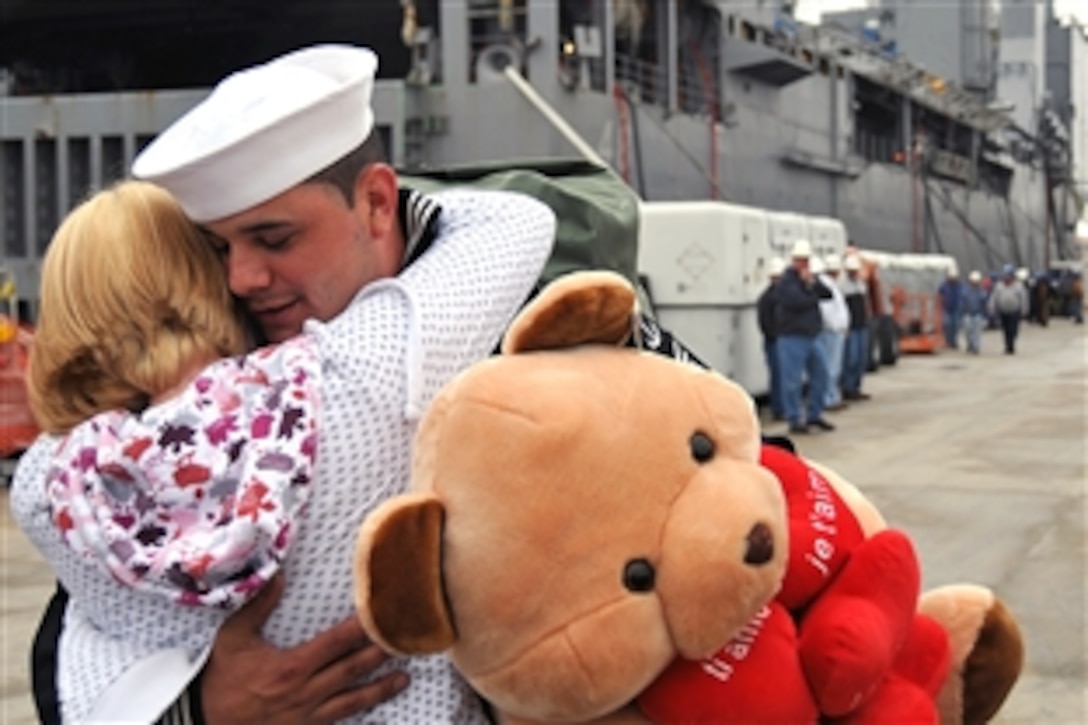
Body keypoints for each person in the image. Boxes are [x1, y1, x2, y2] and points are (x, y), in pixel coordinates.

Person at [13, 44, 556, 725]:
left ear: (379, 202)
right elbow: (66, 635)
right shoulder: (335, 371)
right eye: (217, 250)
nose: (241, 278)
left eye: (274, 237)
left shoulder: (536, 323)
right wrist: (198, 710)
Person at [774, 239, 835, 435]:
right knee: (792, 380)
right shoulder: (786, 281)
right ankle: (794, 418)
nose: (804, 264)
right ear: (794, 260)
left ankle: (814, 414)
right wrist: (811, 293)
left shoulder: (809, 280)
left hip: (812, 335)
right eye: (801, 260)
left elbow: (827, 294)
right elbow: (796, 302)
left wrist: (812, 283)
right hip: (792, 337)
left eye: (806, 260)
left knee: (821, 374)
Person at [813, 254, 849, 412]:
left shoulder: (831, 285)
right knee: (831, 367)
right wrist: (837, 327)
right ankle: (829, 398)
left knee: (833, 367)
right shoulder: (826, 287)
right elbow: (827, 312)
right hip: (831, 332)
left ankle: (832, 396)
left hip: (835, 331)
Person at [839, 253, 872, 402]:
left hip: (861, 324)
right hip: (850, 327)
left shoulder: (860, 284)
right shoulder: (842, 286)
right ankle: (847, 387)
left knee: (861, 358)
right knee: (850, 358)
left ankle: (856, 387)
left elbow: (865, 303)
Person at [757, 256, 786, 421]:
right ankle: (779, 408)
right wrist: (775, 336)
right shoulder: (768, 298)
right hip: (775, 342)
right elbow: (765, 322)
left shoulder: (769, 297)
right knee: (779, 376)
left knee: (781, 376)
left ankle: (781, 407)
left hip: (777, 340)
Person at [987, 264, 1029, 354]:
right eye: (1005, 276)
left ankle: (1011, 343)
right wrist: (992, 307)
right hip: (1003, 311)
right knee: (1005, 329)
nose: (1007, 278)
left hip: (1014, 311)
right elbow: (994, 297)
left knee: (1013, 329)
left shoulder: (1018, 286)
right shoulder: (999, 286)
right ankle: (1008, 345)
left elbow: (1023, 299)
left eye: (1009, 276)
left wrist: (1024, 310)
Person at [961, 270, 989, 354]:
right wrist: (961, 313)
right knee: (967, 331)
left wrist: (986, 316)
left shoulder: (982, 291)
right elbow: (962, 302)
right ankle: (970, 343)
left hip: (978, 314)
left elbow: (984, 304)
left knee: (977, 332)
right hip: (967, 314)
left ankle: (976, 347)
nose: (974, 283)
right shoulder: (965, 291)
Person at [937, 267, 964, 350]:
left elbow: (963, 296)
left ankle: (954, 341)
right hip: (947, 308)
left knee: (955, 326)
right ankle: (948, 341)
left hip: (956, 309)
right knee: (948, 325)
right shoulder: (944, 286)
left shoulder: (960, 286)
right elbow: (939, 295)